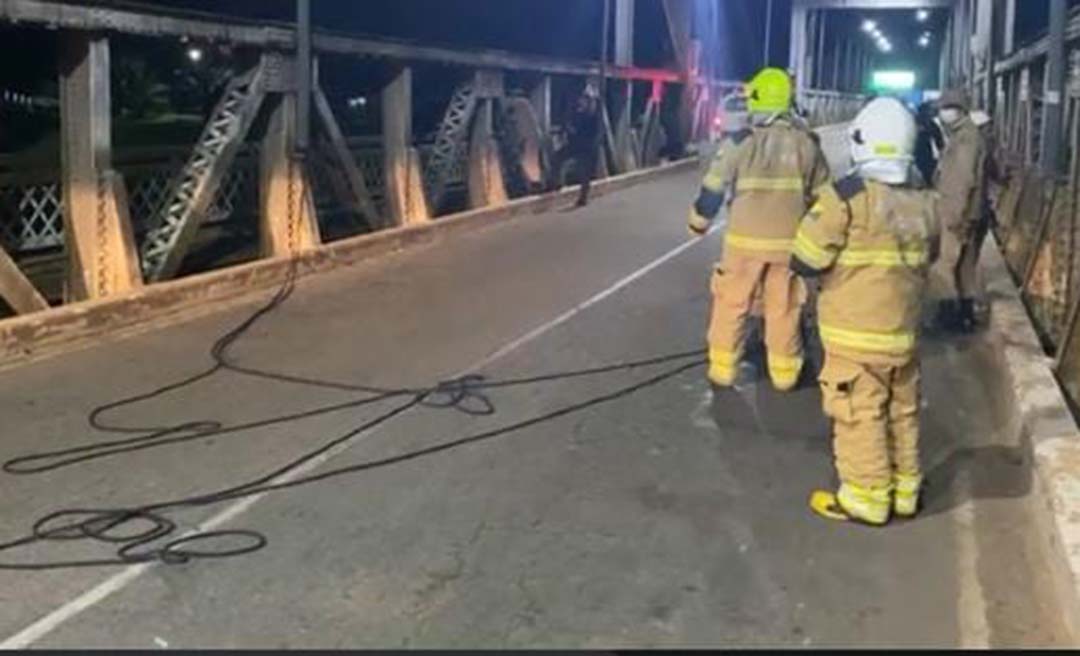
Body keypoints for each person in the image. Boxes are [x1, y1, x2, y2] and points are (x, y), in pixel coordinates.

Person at [791, 97, 941, 525]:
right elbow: (931, 257)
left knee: (859, 414)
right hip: (904, 333)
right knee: (903, 410)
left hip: (854, 336)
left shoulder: (846, 199)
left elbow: (805, 258)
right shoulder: (925, 202)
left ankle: (867, 496)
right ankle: (906, 490)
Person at [688, 67, 831, 391]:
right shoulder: (806, 145)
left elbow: (713, 186)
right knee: (783, 308)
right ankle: (784, 374)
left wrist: (698, 223)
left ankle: (722, 370)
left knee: (731, 305)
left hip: (742, 246)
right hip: (788, 246)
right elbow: (825, 199)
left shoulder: (740, 142)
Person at [934, 88, 990, 333]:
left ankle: (949, 317)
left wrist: (955, 216)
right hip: (967, 211)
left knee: (945, 267)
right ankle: (965, 317)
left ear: (959, 110)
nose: (943, 112)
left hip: (957, 212)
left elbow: (963, 179)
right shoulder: (964, 134)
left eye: (946, 108)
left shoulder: (966, 138)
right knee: (964, 268)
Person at [561, 81, 603, 208]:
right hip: (578, 144)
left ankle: (583, 198)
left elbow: (594, 132)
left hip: (587, 147)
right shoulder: (579, 112)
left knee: (585, 173)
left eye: (585, 99)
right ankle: (555, 183)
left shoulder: (593, 115)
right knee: (558, 158)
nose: (581, 101)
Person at [914, 101, 945, 185]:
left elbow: (939, 140)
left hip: (923, 153)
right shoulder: (928, 123)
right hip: (922, 153)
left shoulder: (917, 122)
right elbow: (939, 141)